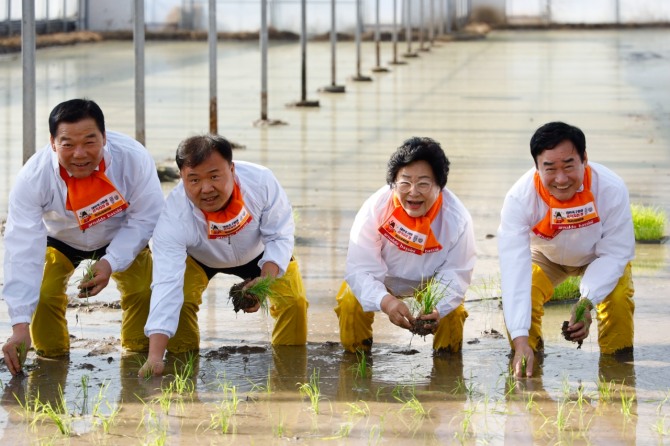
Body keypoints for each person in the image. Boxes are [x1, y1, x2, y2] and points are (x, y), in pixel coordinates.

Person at [1, 98, 164, 375]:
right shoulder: (33, 176)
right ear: (53, 143)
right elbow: (22, 248)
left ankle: (136, 358)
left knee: (143, 288)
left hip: (120, 233)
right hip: (61, 238)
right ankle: (51, 363)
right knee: (43, 292)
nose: (79, 154)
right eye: (68, 144)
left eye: (90, 142)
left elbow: (146, 217)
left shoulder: (133, 158)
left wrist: (111, 261)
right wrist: (19, 325)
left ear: (104, 137)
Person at [139, 134, 308, 376]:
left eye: (214, 176)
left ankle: (290, 370)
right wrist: (155, 357)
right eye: (194, 180)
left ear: (232, 168)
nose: (206, 189)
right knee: (182, 301)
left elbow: (279, 235)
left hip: (260, 252)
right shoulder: (173, 218)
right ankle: (182, 365)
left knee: (293, 302)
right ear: (181, 178)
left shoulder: (260, 181)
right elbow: (167, 283)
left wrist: (266, 280)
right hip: (200, 258)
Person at [498, 121, 635, 378]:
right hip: (546, 255)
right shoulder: (519, 198)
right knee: (523, 293)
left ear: (584, 158)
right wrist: (519, 339)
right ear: (537, 167)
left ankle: (618, 369)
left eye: (569, 165)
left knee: (616, 299)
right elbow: (513, 268)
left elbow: (616, 252)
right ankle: (529, 359)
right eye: (550, 168)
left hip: (597, 254)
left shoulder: (611, 188)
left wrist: (586, 303)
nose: (561, 179)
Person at [334, 137, 476, 354]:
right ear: (393, 182)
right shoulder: (375, 209)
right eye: (405, 182)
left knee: (451, 313)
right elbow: (360, 269)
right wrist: (386, 301)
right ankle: (356, 364)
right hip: (383, 280)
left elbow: (455, 272)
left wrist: (438, 307)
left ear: (440, 185)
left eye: (423, 183)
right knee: (351, 304)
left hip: (431, 283)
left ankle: (447, 372)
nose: (413, 192)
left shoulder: (456, 218)